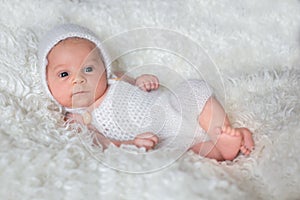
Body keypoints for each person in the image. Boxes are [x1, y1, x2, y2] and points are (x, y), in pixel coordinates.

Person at [38, 23, 254, 161]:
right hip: (160, 138)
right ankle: (222, 150)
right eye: (64, 74)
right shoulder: (76, 118)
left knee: (195, 89)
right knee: (185, 151)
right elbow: (101, 143)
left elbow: (137, 83)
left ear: (104, 68)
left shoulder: (116, 78)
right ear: (47, 84)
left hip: (170, 106)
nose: (80, 79)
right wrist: (130, 145)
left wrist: (142, 81)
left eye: (88, 69)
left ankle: (223, 131)